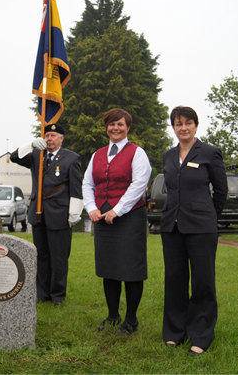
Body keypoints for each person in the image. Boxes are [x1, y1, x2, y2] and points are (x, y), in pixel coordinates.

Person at [160, 106, 228, 355]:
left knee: (203, 281)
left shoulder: (209, 152)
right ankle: (174, 331)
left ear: (196, 125)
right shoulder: (168, 155)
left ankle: (200, 334)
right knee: (175, 280)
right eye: (178, 123)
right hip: (171, 226)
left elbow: (221, 192)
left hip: (201, 227)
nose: (184, 127)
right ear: (174, 127)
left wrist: (209, 217)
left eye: (188, 123)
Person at [82, 109, 152, 335]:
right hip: (102, 218)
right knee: (109, 268)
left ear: (128, 127)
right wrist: (92, 208)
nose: (116, 128)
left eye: (120, 124)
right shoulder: (97, 154)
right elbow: (87, 184)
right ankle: (113, 315)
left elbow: (139, 184)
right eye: (112, 124)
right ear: (106, 127)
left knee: (131, 269)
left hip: (130, 217)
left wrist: (118, 210)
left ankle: (131, 319)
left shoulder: (137, 153)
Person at [10, 123, 83, 306]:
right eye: (47, 135)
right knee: (40, 255)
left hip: (59, 213)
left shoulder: (71, 158)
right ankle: (42, 292)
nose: (49, 139)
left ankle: (57, 294)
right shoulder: (36, 155)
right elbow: (13, 157)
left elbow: (76, 187)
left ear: (61, 138)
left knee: (58, 257)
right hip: (38, 212)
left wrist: (75, 211)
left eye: (53, 135)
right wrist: (31, 145)